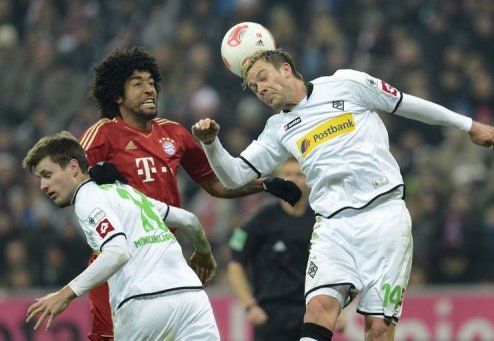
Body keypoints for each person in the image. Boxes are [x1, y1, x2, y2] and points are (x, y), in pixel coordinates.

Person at [191, 49, 494, 341]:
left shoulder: (346, 84)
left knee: (378, 328)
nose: (260, 88)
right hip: (333, 227)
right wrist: (210, 144)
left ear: (285, 68)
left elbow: (405, 103)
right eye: (254, 85)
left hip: (384, 218)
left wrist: (468, 125)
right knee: (317, 310)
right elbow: (233, 178)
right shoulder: (278, 128)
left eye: (263, 77)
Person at [81, 47, 301, 340]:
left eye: (151, 82)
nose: (149, 90)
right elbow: (73, 181)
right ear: (117, 96)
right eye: (137, 83)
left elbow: (217, 185)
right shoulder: (104, 134)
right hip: (117, 258)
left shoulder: (175, 134)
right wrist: (95, 181)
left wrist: (265, 184)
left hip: (163, 254)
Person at [22, 131, 220, 340]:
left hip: (144, 303)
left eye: (47, 175)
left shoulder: (87, 199)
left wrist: (66, 294)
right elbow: (189, 220)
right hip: (192, 298)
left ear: (73, 167)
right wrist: (204, 251)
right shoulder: (128, 193)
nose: (43, 186)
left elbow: (117, 252)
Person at [228, 157, 345, 341]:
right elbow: (235, 263)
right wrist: (250, 305)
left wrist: (338, 310)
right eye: (287, 174)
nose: (293, 179)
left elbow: (334, 267)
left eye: (298, 175)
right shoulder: (260, 219)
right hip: (271, 314)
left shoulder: (320, 221)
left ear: (309, 180)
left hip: (311, 313)